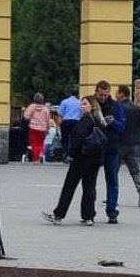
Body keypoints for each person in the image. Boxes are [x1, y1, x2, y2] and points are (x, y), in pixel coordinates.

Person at [41, 96, 106, 226]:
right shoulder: (100, 120)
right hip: (95, 158)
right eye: (81, 104)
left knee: (69, 186)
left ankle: (58, 214)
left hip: (81, 158)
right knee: (89, 186)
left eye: (85, 104)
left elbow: (78, 139)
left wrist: (71, 154)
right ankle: (88, 216)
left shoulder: (85, 120)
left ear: (92, 105)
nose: (82, 106)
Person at [95, 80, 124, 224]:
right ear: (96, 92)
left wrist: (113, 122)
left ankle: (112, 211)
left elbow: (122, 126)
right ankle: (89, 211)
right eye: (100, 94)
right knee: (90, 180)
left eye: (105, 94)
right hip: (94, 147)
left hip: (112, 147)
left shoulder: (116, 106)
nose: (103, 97)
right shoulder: (92, 104)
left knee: (112, 180)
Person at [115, 85, 140, 207]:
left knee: (114, 171)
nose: (115, 95)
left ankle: (113, 197)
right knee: (135, 171)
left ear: (122, 94)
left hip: (119, 143)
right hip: (134, 143)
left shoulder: (118, 108)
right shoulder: (137, 108)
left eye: (116, 93)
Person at [23, 93, 50, 163]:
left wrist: (30, 118)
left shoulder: (32, 107)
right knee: (41, 143)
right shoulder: (45, 108)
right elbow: (48, 120)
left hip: (33, 127)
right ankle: (40, 154)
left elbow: (26, 116)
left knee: (34, 143)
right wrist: (48, 128)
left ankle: (35, 159)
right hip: (43, 128)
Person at [57, 89, 82, 161]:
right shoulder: (79, 102)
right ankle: (73, 154)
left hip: (66, 122)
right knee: (75, 139)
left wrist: (59, 124)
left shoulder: (64, 102)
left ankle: (66, 154)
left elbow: (60, 114)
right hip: (76, 122)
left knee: (65, 139)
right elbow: (81, 113)